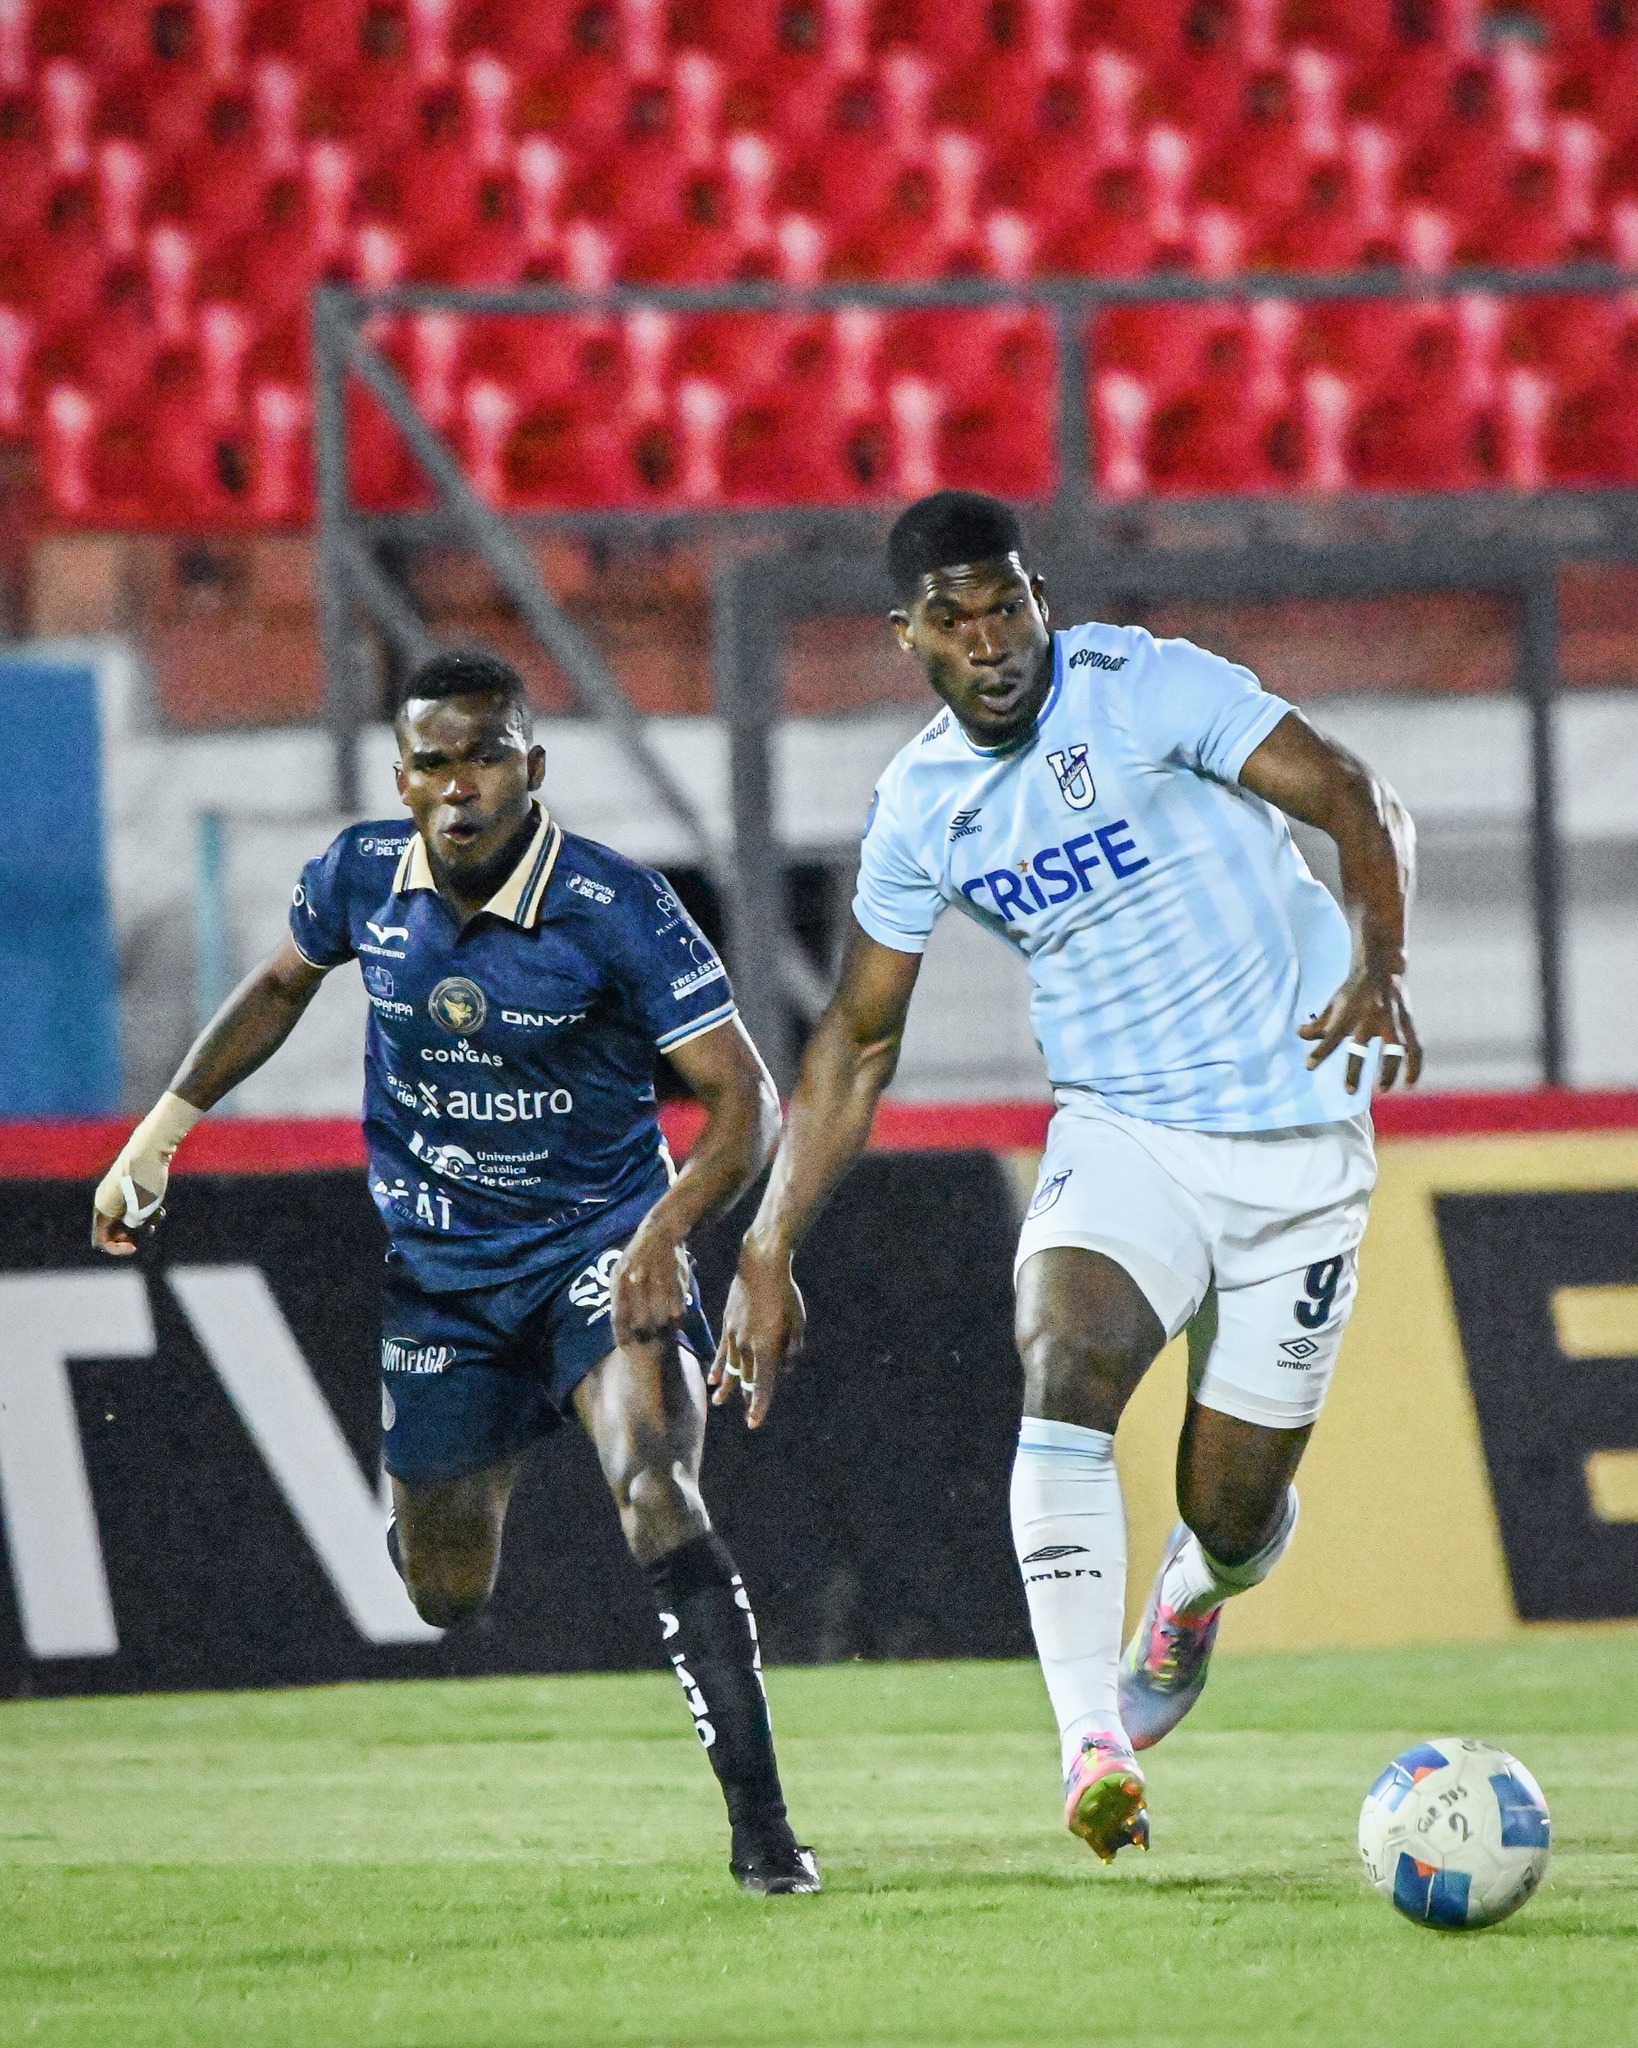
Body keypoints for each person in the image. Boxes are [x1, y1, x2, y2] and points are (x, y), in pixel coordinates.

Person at [710, 490, 1420, 1864]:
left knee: (1229, 1509)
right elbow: (856, 1037)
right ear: (905, 636)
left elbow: (1350, 794)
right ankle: (1089, 1744)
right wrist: (767, 1240)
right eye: (955, 619)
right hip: (1122, 1129)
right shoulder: (919, 807)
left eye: (1008, 605)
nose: (992, 642)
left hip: (1299, 1140)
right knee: (1062, 1362)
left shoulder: (1140, 685)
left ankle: (1191, 1598)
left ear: (1038, 598)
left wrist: (1378, 958)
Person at [92, 648, 819, 1896]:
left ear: (533, 766)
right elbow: (277, 986)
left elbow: (743, 1099)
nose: (461, 783)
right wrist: (158, 1134)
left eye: (488, 755)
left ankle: (765, 1835)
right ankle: (462, 1455)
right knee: (442, 1591)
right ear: (403, 774)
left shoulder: (617, 905)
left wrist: (664, 1232)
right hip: (443, 1276)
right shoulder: (361, 877)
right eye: (435, 760)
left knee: (656, 1488)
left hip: (602, 1248)